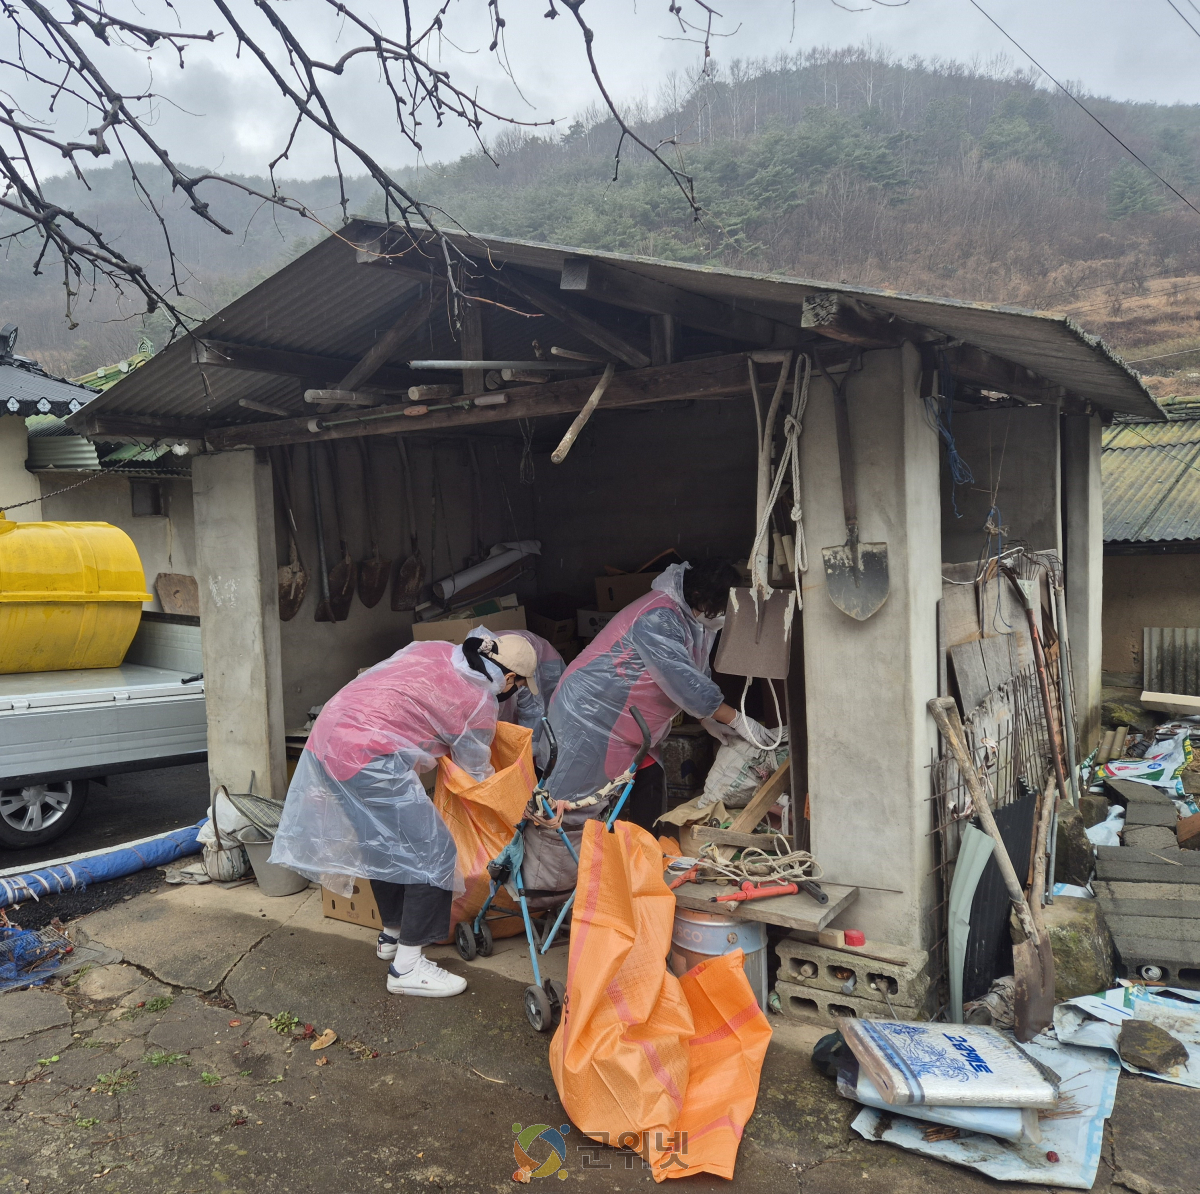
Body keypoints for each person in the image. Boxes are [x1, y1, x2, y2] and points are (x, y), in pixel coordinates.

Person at [270, 631, 539, 998]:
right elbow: (477, 774)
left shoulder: (437, 650)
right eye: (520, 686)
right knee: (436, 853)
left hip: (329, 739)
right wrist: (516, 802)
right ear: (509, 680)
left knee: (385, 842)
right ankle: (408, 967)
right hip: (369, 757)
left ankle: (392, 936)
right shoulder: (478, 701)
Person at [545, 560, 772, 832]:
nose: (722, 615)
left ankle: (644, 849)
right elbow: (682, 680)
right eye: (719, 608)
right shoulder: (658, 617)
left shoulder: (692, 619)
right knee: (578, 805)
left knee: (650, 779)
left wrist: (706, 718)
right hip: (592, 717)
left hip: (631, 723)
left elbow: (693, 672)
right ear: (698, 596)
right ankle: (571, 864)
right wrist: (736, 720)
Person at [495, 629, 565, 771]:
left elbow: (532, 711)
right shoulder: (481, 673)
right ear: (510, 677)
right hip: (514, 656)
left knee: (550, 712)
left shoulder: (524, 671)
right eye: (521, 684)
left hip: (543, 658)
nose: (522, 687)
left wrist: (530, 753)